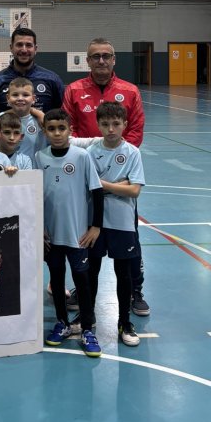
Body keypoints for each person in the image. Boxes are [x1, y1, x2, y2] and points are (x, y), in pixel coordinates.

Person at [61, 37, 149, 317]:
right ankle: (83, 289)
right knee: (87, 237)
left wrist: (120, 172)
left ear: (114, 60)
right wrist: (89, 171)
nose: (101, 60)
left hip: (121, 180)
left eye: (106, 56)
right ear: (87, 60)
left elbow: (135, 132)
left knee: (128, 236)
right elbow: (68, 131)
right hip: (85, 180)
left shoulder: (130, 91)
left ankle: (135, 289)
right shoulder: (73, 90)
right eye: (95, 56)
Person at [36, 108, 103, 357]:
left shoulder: (82, 156)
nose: (56, 133)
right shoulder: (39, 157)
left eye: (61, 128)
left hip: (78, 235)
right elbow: (34, 195)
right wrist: (39, 226)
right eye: (51, 129)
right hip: (51, 236)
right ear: (45, 131)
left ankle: (87, 328)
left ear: (70, 130)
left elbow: (97, 192)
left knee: (82, 282)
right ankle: (62, 323)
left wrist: (95, 226)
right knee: (56, 279)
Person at [86, 102, 145, 347]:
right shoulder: (89, 151)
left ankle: (124, 321)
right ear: (98, 125)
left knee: (124, 274)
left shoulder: (132, 152)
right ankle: (88, 318)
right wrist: (117, 185)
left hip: (122, 223)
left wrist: (104, 185)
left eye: (116, 124)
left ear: (125, 125)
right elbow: (86, 187)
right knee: (91, 273)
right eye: (105, 124)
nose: (111, 129)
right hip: (95, 222)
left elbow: (133, 191)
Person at [0, 27, 65, 113]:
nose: (24, 50)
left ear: (35, 49)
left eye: (29, 45)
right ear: (11, 48)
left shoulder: (52, 80)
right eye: (19, 45)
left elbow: (61, 116)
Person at [4, 76, 47, 162]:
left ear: (33, 99)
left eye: (25, 95)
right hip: (5, 172)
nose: (20, 98)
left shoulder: (43, 121)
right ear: (8, 98)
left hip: (35, 172)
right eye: (15, 95)